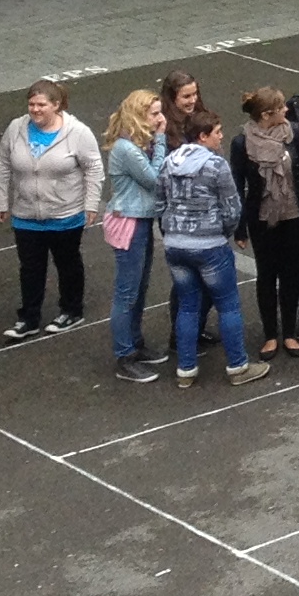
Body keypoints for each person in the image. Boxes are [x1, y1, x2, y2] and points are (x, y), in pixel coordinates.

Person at [158, 109, 266, 390]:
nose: (221, 137)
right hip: (209, 246)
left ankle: (186, 369)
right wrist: (223, 232)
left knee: (188, 306)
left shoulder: (169, 161)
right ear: (203, 136)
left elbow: (160, 202)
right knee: (228, 305)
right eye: (217, 132)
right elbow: (232, 208)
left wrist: (171, 232)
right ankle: (238, 366)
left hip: (175, 245)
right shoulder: (216, 166)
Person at [0, 80, 101, 339]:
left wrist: (91, 204)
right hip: (26, 214)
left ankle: (72, 310)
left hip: (65, 214)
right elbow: (2, 163)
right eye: (31, 104)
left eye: (41, 104)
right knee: (30, 268)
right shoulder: (16, 128)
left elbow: (94, 168)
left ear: (56, 105)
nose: (35, 109)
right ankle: (29, 318)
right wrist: (1, 201)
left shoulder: (78, 132)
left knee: (67, 264)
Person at [237, 88, 299, 358]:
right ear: (266, 115)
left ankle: (290, 333)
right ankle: (271, 335)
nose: (287, 111)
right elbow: (238, 186)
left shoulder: (293, 134)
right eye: (281, 108)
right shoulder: (242, 142)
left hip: (294, 215)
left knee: (291, 274)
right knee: (267, 275)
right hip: (262, 218)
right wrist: (239, 227)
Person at [101, 90, 168, 384]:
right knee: (127, 292)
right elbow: (155, 179)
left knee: (139, 289)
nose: (160, 118)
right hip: (129, 223)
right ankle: (124, 355)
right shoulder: (126, 148)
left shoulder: (137, 142)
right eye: (154, 113)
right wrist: (163, 140)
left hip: (140, 220)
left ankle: (136, 342)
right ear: (139, 115)